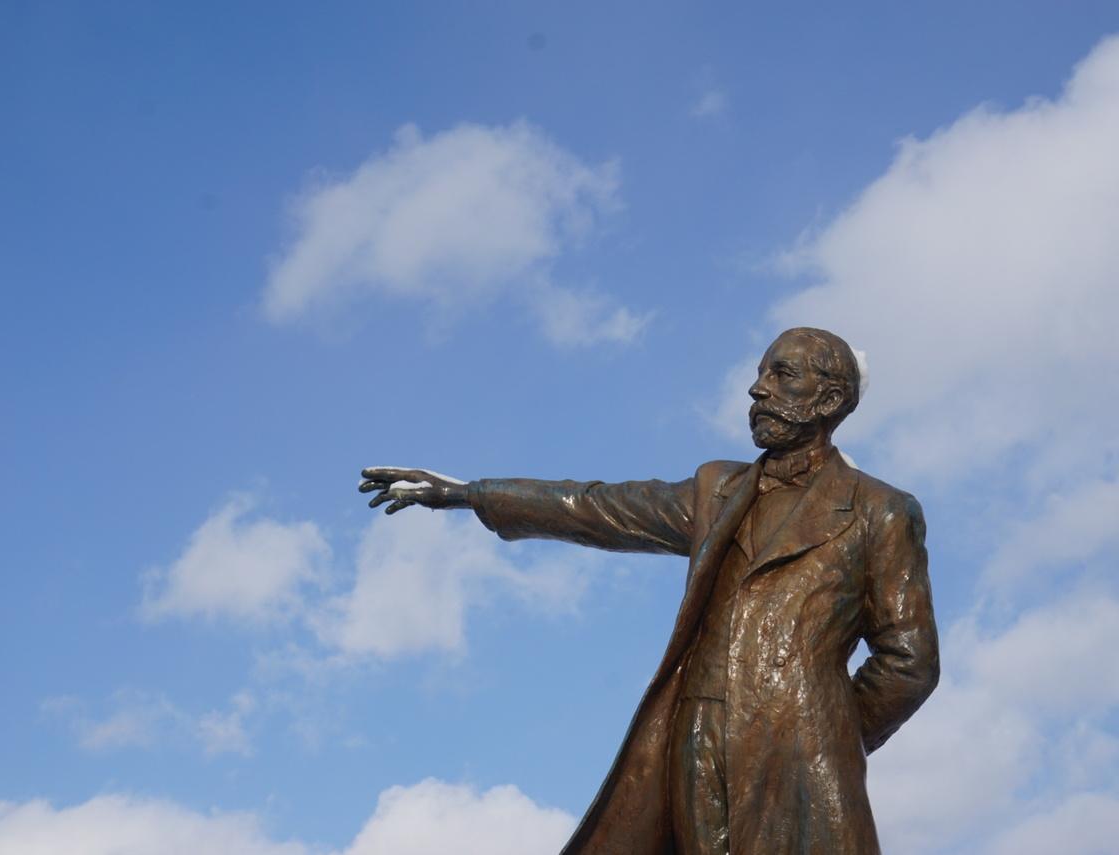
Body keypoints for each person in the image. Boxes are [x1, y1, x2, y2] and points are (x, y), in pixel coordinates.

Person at [360, 327, 938, 855]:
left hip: (800, 747)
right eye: (761, 373)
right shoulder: (717, 489)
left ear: (830, 399)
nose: (757, 389)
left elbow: (908, 662)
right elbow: (599, 507)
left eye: (781, 374)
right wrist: (470, 493)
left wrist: (823, 732)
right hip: (695, 732)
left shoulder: (881, 510)